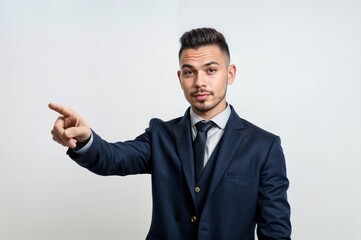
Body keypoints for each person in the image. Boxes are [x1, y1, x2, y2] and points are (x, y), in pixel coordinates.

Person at [49, 27, 291, 240]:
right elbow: (113, 158)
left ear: (230, 74)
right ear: (180, 78)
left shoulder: (264, 147)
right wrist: (85, 140)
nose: (199, 82)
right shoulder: (161, 135)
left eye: (210, 70)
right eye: (189, 72)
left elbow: (276, 232)